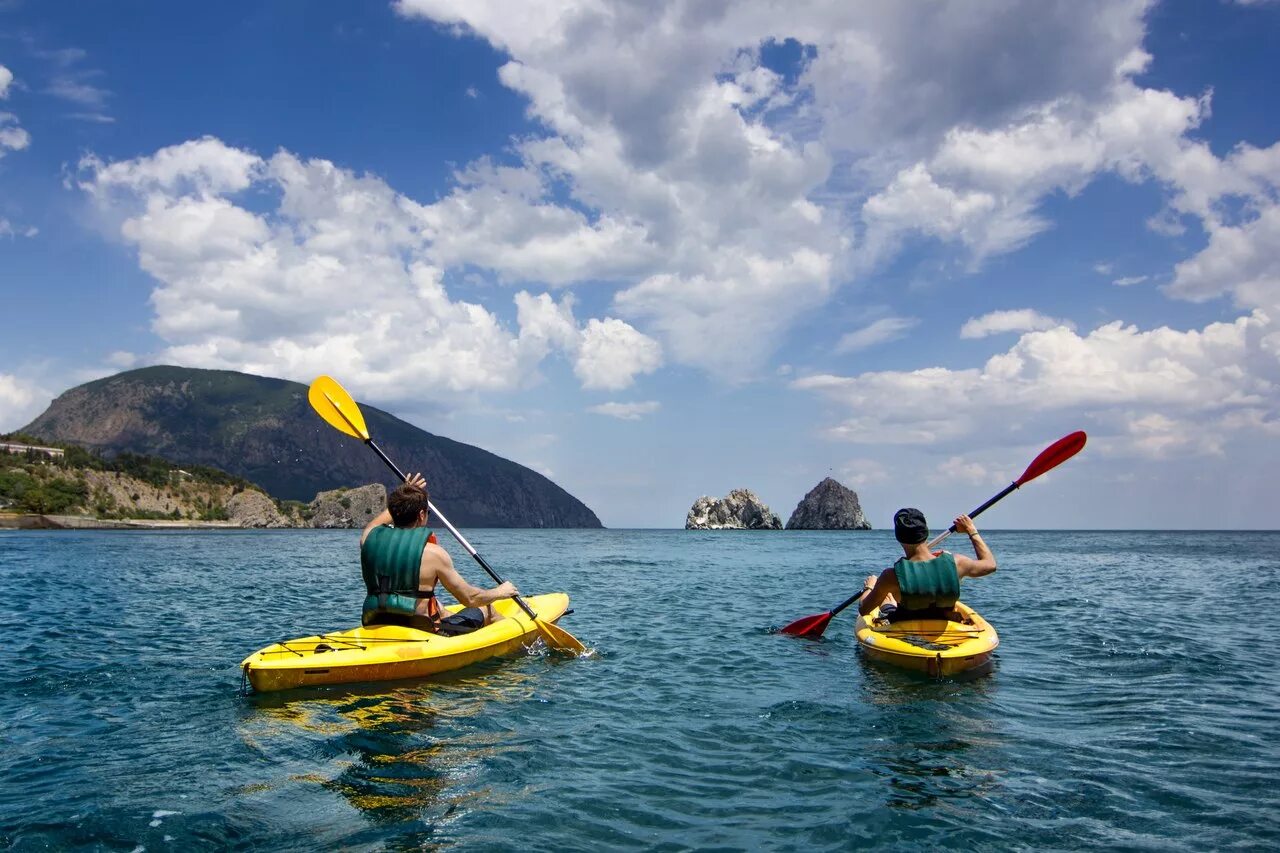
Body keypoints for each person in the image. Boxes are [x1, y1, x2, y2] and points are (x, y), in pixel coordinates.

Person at [359, 473, 517, 635]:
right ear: (421, 515)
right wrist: (500, 592)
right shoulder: (433, 554)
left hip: (376, 624)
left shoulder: (368, 539)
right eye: (427, 513)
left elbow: (375, 523)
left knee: (441, 610)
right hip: (422, 632)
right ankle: (514, 652)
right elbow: (470, 599)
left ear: (393, 511)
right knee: (487, 608)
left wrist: (406, 497)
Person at [859, 508, 997, 620]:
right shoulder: (957, 563)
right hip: (946, 627)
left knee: (887, 601)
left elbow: (864, 610)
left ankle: (890, 605)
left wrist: (869, 587)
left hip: (906, 631)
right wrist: (971, 531)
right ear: (926, 532)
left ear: (898, 538)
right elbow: (990, 565)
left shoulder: (891, 576)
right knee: (890, 600)